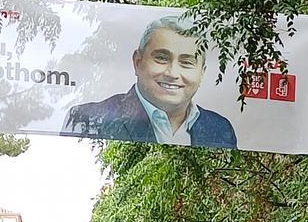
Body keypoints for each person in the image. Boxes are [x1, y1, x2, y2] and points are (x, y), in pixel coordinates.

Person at [61, 15, 237, 149]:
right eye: (161, 58)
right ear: (138, 62)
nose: (173, 73)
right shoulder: (87, 119)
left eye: (187, 62)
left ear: (202, 73)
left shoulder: (221, 129)